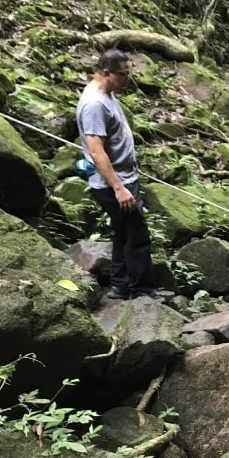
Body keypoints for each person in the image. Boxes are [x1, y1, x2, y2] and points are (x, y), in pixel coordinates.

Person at [76, 48, 156, 300]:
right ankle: (140, 291)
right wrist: (119, 188)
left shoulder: (106, 94)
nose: (127, 80)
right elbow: (97, 152)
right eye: (123, 75)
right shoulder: (94, 105)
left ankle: (119, 287)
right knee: (137, 236)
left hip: (124, 177)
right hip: (113, 184)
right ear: (106, 73)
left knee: (123, 233)